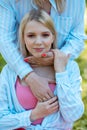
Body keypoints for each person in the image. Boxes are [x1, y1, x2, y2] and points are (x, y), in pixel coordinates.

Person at [0, 9, 84, 130]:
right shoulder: (10, 71)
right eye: (31, 35)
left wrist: (60, 71)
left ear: (53, 37)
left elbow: (73, 115)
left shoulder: (70, 68)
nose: (38, 42)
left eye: (45, 35)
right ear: (23, 38)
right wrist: (33, 115)